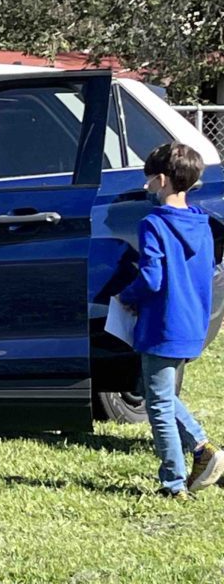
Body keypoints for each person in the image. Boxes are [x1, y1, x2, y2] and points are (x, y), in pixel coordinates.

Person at [118, 142, 224, 500]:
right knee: (158, 393)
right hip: (192, 322)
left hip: (163, 324)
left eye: (149, 181)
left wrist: (126, 297)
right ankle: (202, 450)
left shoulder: (153, 223)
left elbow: (151, 279)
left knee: (158, 404)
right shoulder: (204, 223)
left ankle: (176, 480)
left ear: (161, 180)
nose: (146, 187)